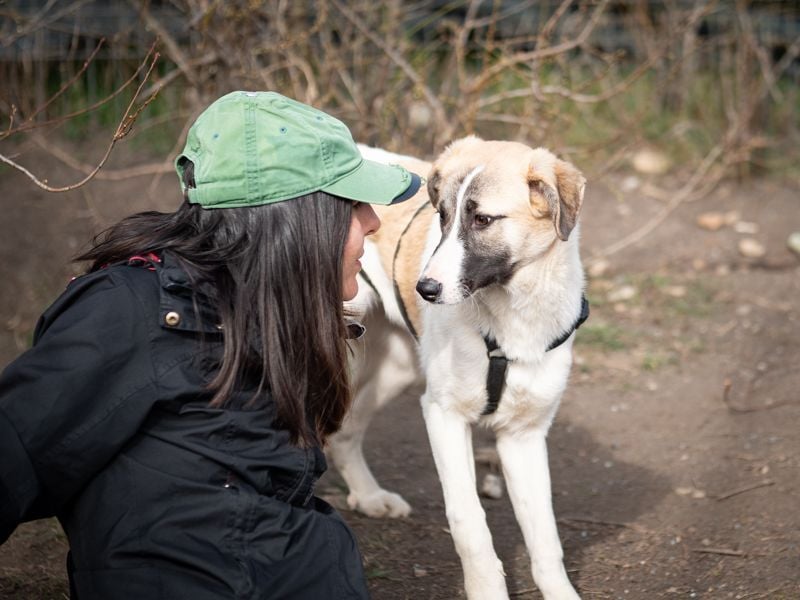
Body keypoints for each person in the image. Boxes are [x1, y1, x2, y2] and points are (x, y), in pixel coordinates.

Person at [0, 91, 421, 599]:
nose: (374, 221)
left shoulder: (253, 312)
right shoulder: (131, 314)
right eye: (352, 205)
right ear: (291, 221)